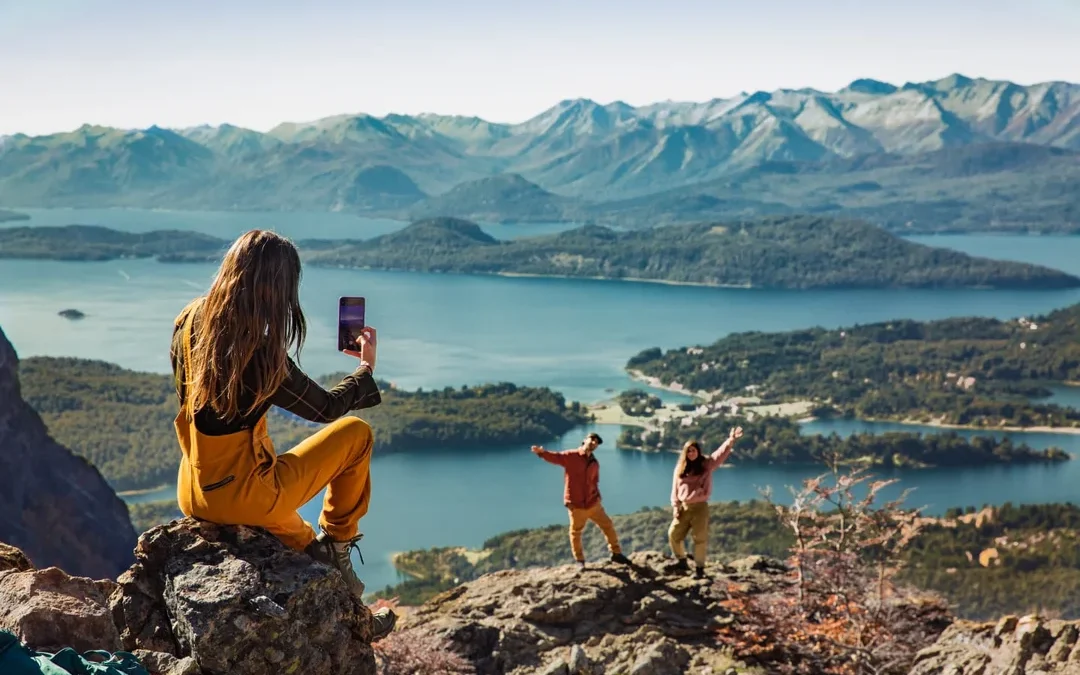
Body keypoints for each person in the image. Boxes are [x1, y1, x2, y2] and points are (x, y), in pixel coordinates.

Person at [169, 229, 396, 638]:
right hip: (246, 496)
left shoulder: (188, 321)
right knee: (356, 434)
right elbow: (326, 408)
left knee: (306, 543)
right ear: (279, 288)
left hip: (193, 490)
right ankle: (342, 543)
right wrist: (365, 369)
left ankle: (355, 612)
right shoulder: (259, 349)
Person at [532, 432, 631, 568]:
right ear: (584, 440)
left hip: (593, 504)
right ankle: (580, 560)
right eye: (592, 439)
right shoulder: (571, 456)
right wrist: (542, 453)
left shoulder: (595, 463)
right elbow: (556, 457)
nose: (594, 443)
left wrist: (597, 497)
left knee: (608, 525)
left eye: (596, 442)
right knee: (576, 532)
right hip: (576, 504)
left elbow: (595, 481)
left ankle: (616, 553)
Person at [669, 426, 744, 578]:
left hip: (700, 508)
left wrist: (731, 440)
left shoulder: (706, 465)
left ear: (698, 451)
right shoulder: (680, 468)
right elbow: (674, 490)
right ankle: (681, 561)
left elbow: (719, 455)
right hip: (684, 507)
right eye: (688, 451)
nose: (691, 453)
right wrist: (675, 507)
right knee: (673, 534)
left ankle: (699, 569)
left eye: (694, 450)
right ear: (685, 453)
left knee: (699, 539)